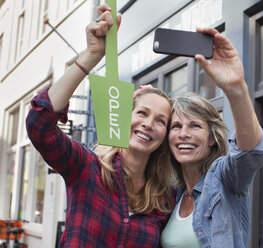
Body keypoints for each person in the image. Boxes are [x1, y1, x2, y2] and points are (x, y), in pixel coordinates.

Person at [26, 4, 174, 248]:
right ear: (125, 114)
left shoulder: (164, 199)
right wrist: (91, 55)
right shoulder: (86, 167)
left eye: (161, 121)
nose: (149, 124)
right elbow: (39, 125)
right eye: (142, 113)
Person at [160, 28, 263, 248]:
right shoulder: (172, 195)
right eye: (176, 126)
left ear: (212, 138)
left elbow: (251, 151)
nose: (183, 134)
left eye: (195, 126)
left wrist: (235, 88)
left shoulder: (224, 179)